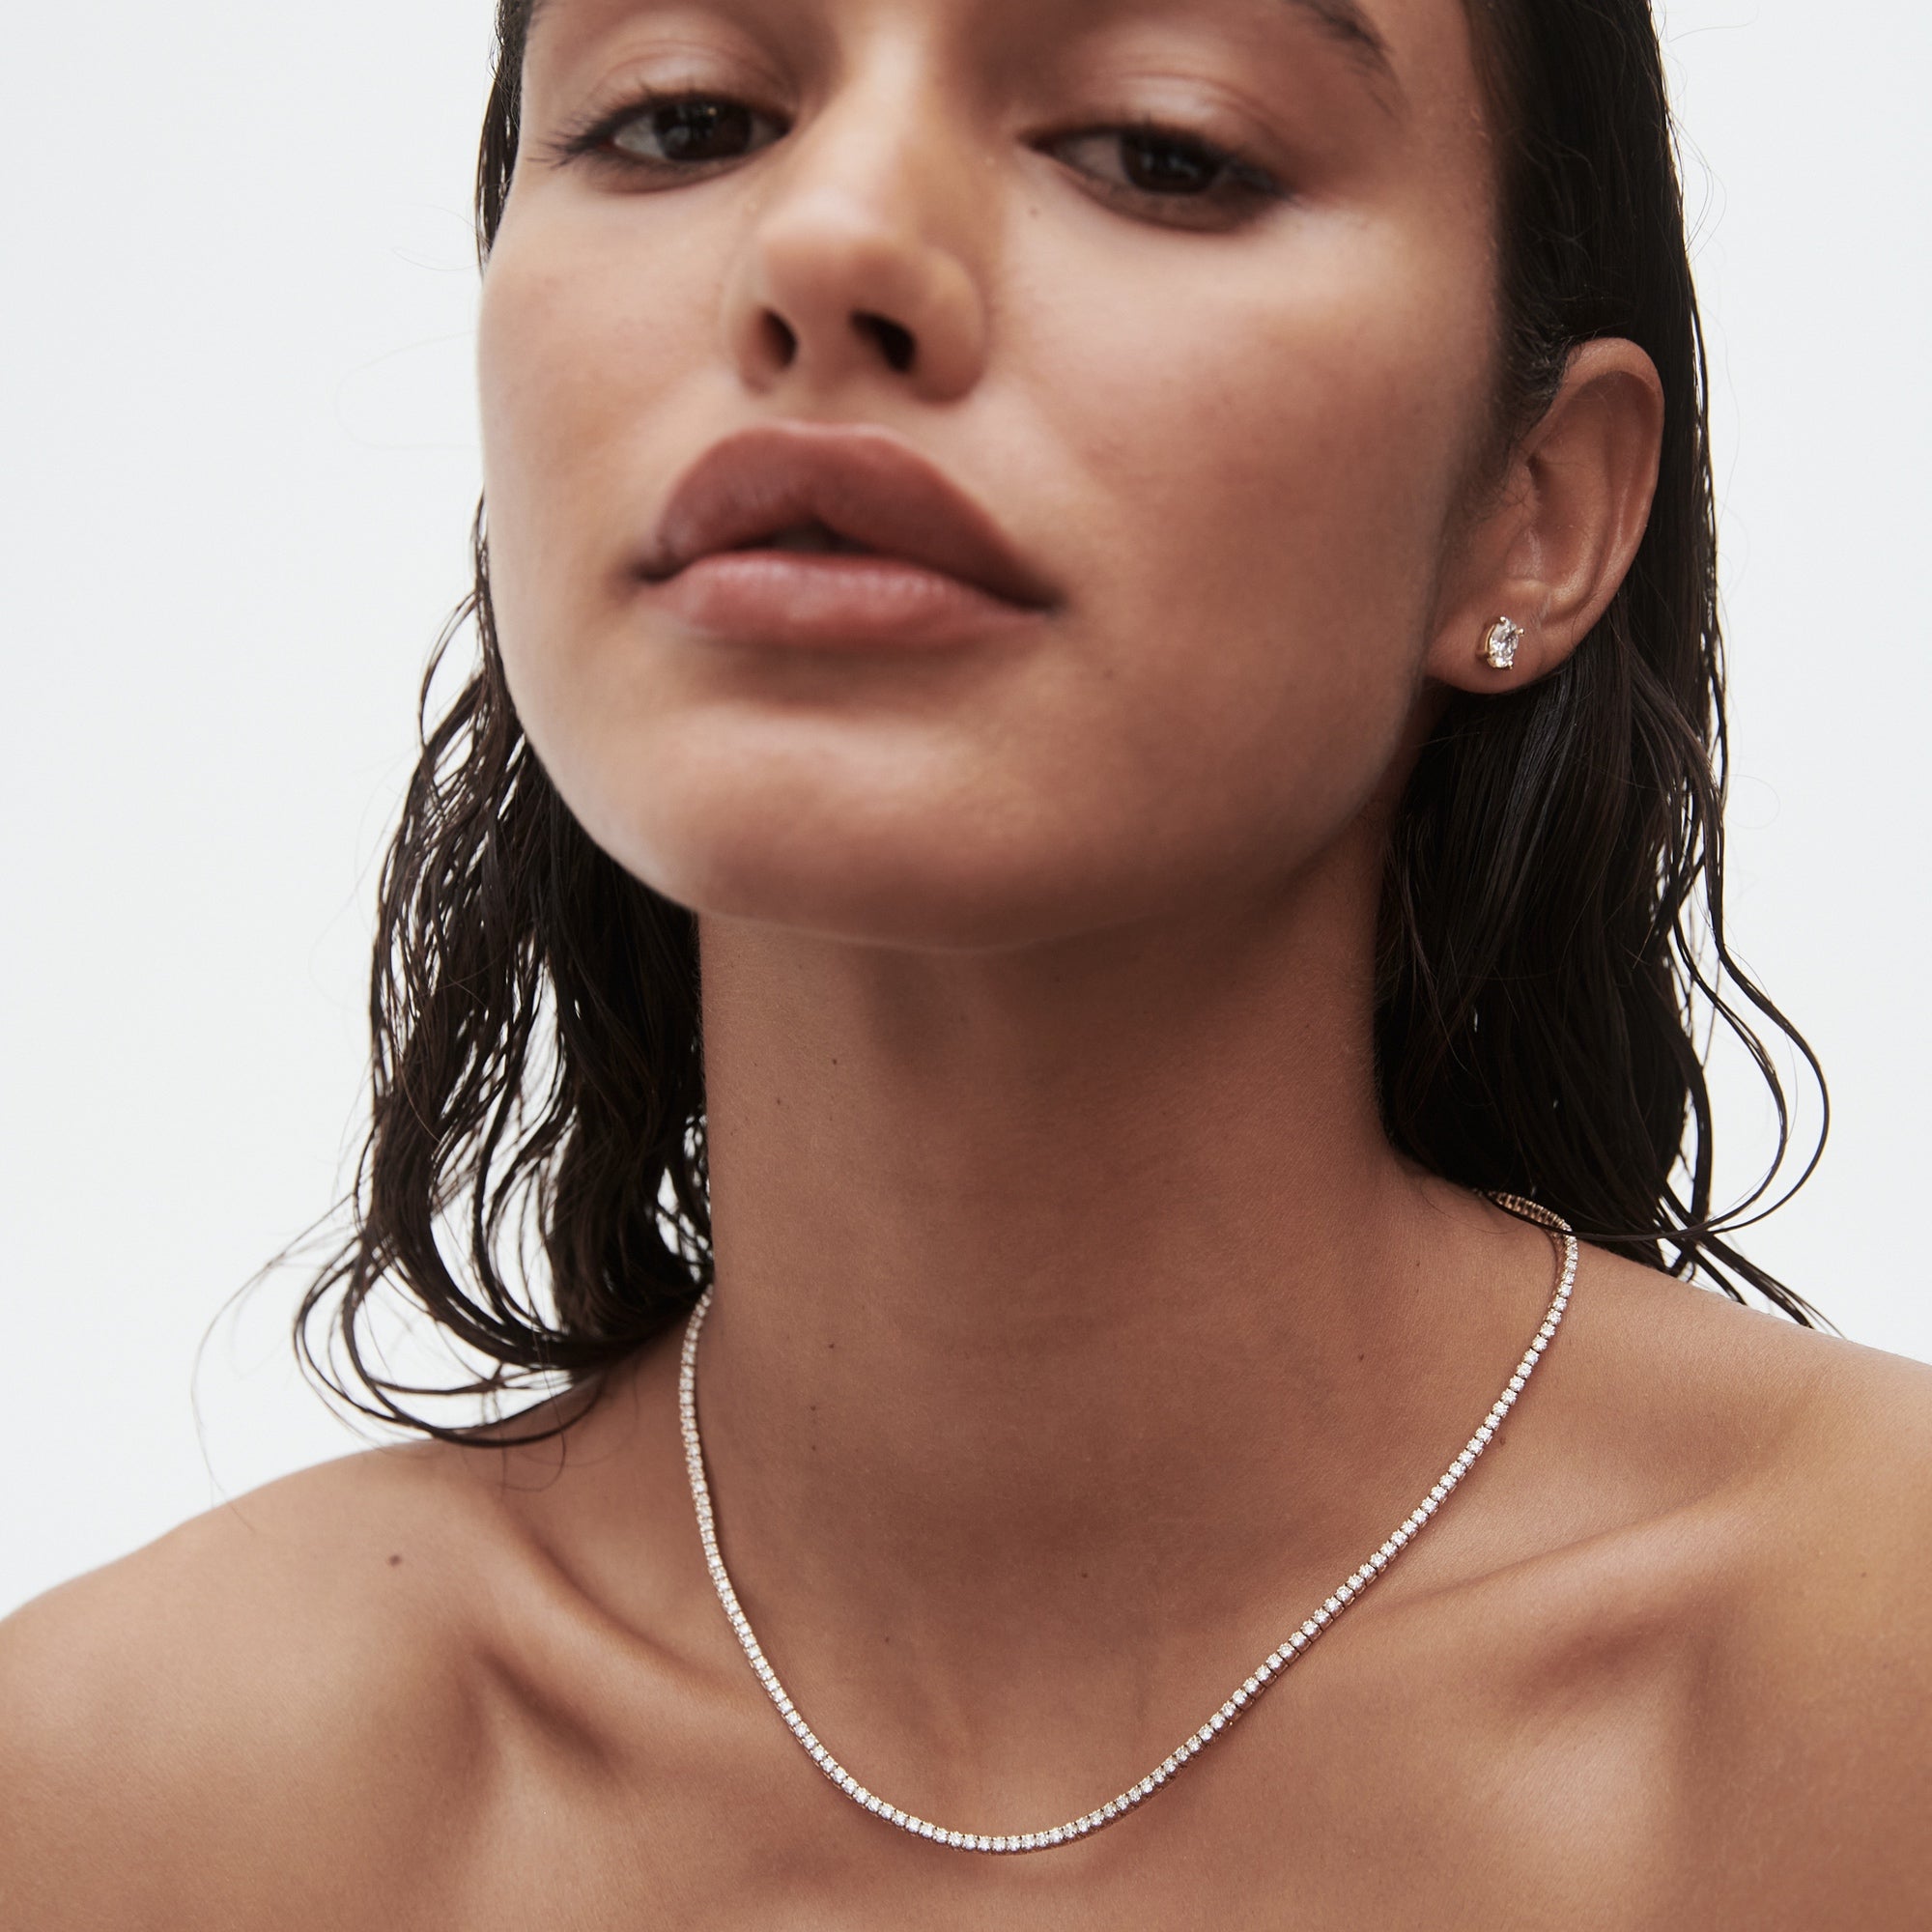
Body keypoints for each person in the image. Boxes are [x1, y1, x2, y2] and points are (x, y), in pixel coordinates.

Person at [4, 0, 1928, 1921]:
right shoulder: (121, 1814)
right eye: (679, 119)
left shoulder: (1866, 1703)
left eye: (1161, 147)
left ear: (1536, 513)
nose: (831, 245)